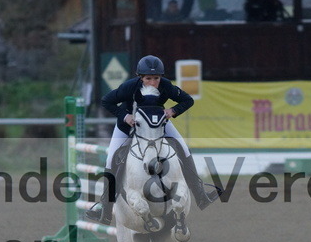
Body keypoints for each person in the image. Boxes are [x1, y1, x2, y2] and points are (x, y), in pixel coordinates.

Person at [84, 55, 222, 225]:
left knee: (184, 149)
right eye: (148, 78)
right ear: (140, 77)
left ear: (161, 77)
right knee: (111, 159)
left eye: (156, 78)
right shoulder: (129, 87)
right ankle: (105, 210)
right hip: (127, 126)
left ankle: (201, 195)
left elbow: (188, 100)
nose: (152, 82)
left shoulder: (166, 86)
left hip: (157, 125)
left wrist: (173, 110)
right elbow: (107, 101)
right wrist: (124, 115)